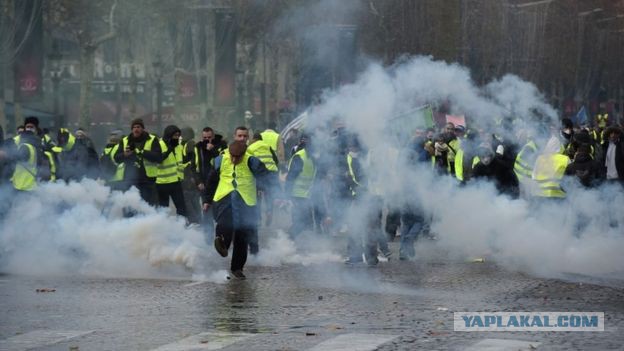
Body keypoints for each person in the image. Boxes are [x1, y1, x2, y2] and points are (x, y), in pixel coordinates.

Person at [203, 140, 269, 279]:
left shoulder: (252, 161)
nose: (234, 159)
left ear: (243, 154)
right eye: (232, 156)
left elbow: (266, 177)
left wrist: (266, 189)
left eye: (237, 157)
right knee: (224, 225)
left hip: (245, 201)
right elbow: (211, 181)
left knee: (242, 234)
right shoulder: (220, 160)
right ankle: (222, 245)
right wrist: (207, 200)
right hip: (224, 198)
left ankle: (237, 268)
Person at [113, 118, 163, 206]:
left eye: (138, 127)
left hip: (148, 180)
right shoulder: (124, 141)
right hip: (130, 179)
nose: (136, 129)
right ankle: (129, 220)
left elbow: (158, 157)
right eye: (134, 127)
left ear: (143, 128)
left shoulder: (152, 139)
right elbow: (116, 158)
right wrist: (125, 154)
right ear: (131, 129)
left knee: (150, 206)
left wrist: (143, 152)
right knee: (130, 206)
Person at [155, 125, 187, 219]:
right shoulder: (159, 145)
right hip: (162, 183)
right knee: (163, 210)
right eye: (174, 135)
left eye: (178, 135)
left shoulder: (178, 146)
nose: (176, 137)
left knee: (182, 208)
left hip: (176, 182)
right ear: (168, 135)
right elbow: (157, 161)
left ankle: (181, 227)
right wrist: (169, 150)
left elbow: (180, 162)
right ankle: (164, 228)